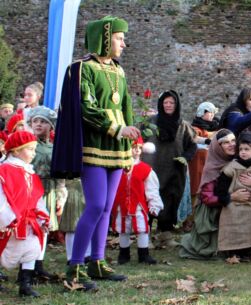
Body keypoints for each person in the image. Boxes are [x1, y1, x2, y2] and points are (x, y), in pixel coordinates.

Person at [52, 16, 140, 291]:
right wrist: (117, 129)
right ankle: (75, 265)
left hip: (117, 148)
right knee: (96, 205)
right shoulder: (80, 69)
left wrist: (130, 139)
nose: (124, 43)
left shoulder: (119, 70)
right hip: (94, 146)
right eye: (119, 38)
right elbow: (86, 109)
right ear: (104, 38)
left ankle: (97, 261)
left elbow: (125, 107)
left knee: (107, 208)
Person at [179, 129, 251, 259]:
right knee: (213, 250)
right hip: (213, 210)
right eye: (226, 142)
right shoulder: (212, 167)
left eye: (233, 141)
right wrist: (231, 197)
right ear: (218, 147)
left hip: (237, 205)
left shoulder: (240, 161)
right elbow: (207, 198)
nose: (231, 144)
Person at [141, 90, 197, 241]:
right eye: (165, 102)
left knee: (170, 198)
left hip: (173, 168)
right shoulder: (151, 122)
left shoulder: (183, 126)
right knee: (149, 197)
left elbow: (192, 145)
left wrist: (185, 157)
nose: (168, 105)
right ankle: (144, 233)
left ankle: (165, 232)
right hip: (152, 167)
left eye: (171, 102)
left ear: (176, 104)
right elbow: (139, 140)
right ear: (161, 104)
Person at [0, 131, 49, 297]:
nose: (34, 153)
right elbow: (1, 197)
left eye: (35, 149)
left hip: (28, 221)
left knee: (32, 247)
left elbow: (37, 198)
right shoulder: (4, 170)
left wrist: (42, 217)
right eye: (30, 149)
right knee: (3, 250)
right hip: (9, 222)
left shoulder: (30, 173)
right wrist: (7, 219)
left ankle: (25, 284)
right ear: (16, 150)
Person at [216, 132, 251, 257]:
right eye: (241, 149)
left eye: (247, 149)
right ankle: (232, 250)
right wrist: (230, 197)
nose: (243, 152)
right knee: (233, 227)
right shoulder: (231, 168)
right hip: (233, 206)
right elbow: (219, 191)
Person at [26, 106, 66, 282]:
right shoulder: (26, 145)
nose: (39, 124)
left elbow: (59, 173)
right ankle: (26, 268)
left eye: (43, 122)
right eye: (36, 121)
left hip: (48, 190)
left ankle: (38, 266)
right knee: (29, 230)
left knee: (43, 230)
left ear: (51, 126)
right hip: (30, 191)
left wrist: (60, 193)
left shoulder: (54, 148)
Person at [112, 136, 163, 265]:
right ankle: (124, 254)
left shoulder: (145, 169)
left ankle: (143, 254)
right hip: (121, 205)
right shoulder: (118, 168)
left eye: (139, 148)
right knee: (124, 229)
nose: (136, 151)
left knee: (142, 229)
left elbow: (152, 188)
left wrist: (154, 203)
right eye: (133, 148)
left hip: (139, 205)